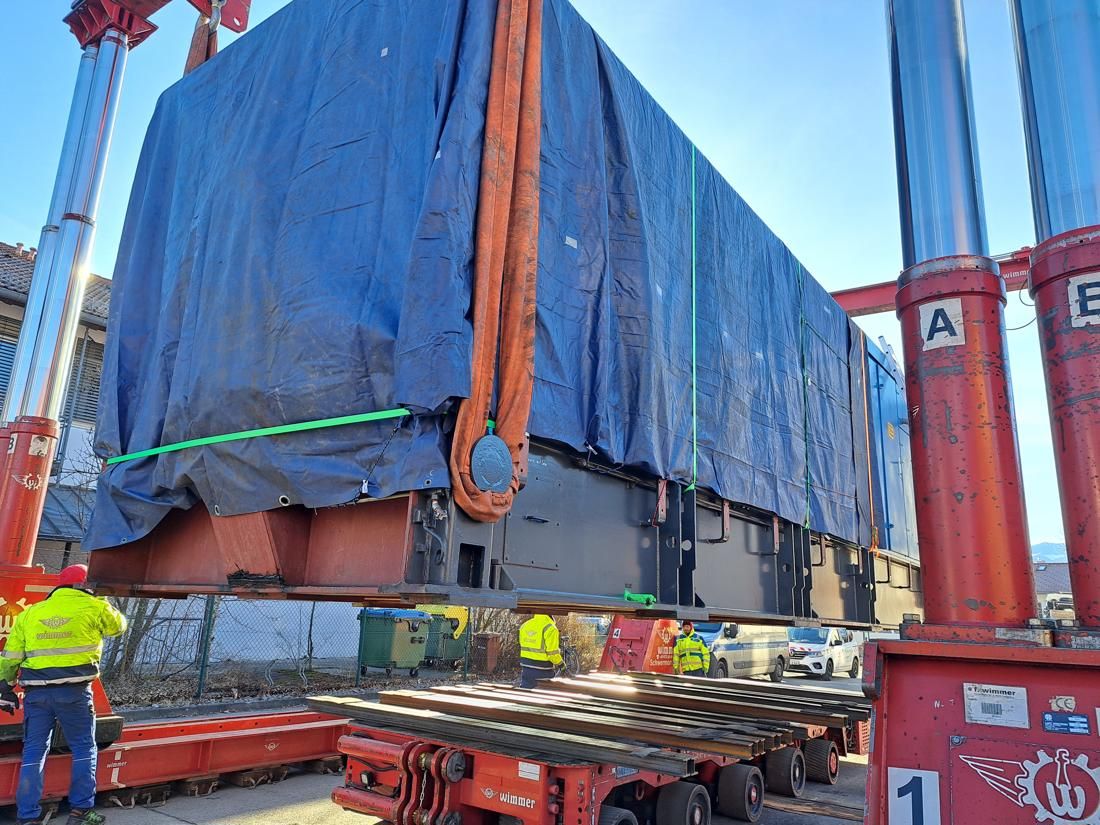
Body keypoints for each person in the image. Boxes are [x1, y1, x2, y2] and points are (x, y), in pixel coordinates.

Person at [0, 564, 127, 825]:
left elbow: (11, 656)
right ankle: (80, 813)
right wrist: (101, 596)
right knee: (83, 748)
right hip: (74, 693)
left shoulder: (32, 612)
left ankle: (27, 817)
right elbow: (119, 626)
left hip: (36, 695)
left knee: (34, 751)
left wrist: (6, 687)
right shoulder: (95, 606)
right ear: (87, 585)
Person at [518, 614, 563, 689]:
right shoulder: (551, 628)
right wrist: (561, 664)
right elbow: (552, 653)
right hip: (542, 668)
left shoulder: (525, 625)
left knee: (525, 691)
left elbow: (521, 644)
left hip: (526, 667)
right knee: (544, 692)